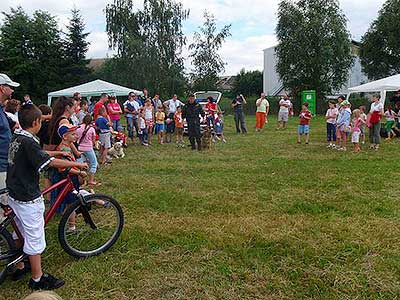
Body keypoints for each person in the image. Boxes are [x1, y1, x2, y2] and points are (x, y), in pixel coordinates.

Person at [7, 104, 87, 290]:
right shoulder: (30, 141)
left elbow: (38, 155)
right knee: (35, 235)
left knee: (19, 229)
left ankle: (19, 265)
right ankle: (37, 278)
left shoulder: (18, 137)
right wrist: (78, 165)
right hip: (27, 196)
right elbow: (47, 162)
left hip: (14, 191)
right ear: (36, 122)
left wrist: (56, 151)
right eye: (41, 121)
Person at [0, 73, 19, 206]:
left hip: (5, 162)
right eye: (10, 87)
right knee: (3, 204)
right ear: (2, 88)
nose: (12, 90)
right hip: (0, 165)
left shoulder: (1, 109)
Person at [76, 114, 100, 186]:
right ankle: (91, 180)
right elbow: (93, 139)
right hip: (88, 148)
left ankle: (81, 181)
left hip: (79, 148)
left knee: (80, 164)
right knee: (93, 163)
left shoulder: (78, 127)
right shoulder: (91, 129)